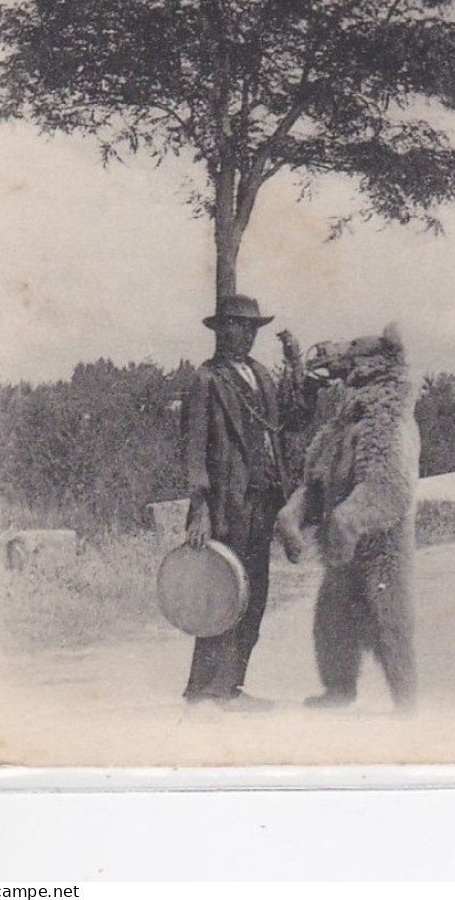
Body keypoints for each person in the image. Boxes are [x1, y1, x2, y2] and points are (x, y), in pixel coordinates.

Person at [181, 293, 303, 711]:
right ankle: (205, 689)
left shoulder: (262, 375)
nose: (246, 334)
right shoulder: (206, 380)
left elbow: (292, 419)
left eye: (251, 328)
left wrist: (296, 362)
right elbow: (195, 447)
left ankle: (229, 687)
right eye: (237, 326)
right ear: (221, 330)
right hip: (226, 503)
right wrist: (199, 508)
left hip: (263, 501)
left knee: (254, 594)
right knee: (221, 595)